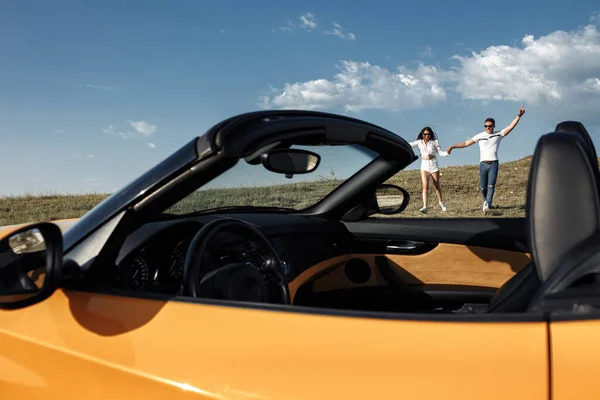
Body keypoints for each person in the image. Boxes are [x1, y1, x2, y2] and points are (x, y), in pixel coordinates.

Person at [446, 106, 526, 213]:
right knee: (483, 188)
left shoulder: (498, 134)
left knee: (491, 185)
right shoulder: (480, 136)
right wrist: (453, 146)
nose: (488, 128)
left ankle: (488, 205)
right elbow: (466, 143)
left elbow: (511, 126)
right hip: (483, 164)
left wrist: (519, 116)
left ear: (494, 126)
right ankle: (486, 202)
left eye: (490, 126)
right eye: (486, 126)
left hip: (494, 164)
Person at [409, 127, 448, 214]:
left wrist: (447, 152)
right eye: (425, 134)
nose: (427, 136)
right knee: (425, 185)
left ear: (431, 134)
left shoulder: (434, 142)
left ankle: (441, 203)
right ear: (422, 135)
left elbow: (441, 153)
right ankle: (425, 206)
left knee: (436, 186)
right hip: (424, 165)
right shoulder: (419, 142)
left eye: (429, 134)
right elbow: (409, 145)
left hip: (434, 164)